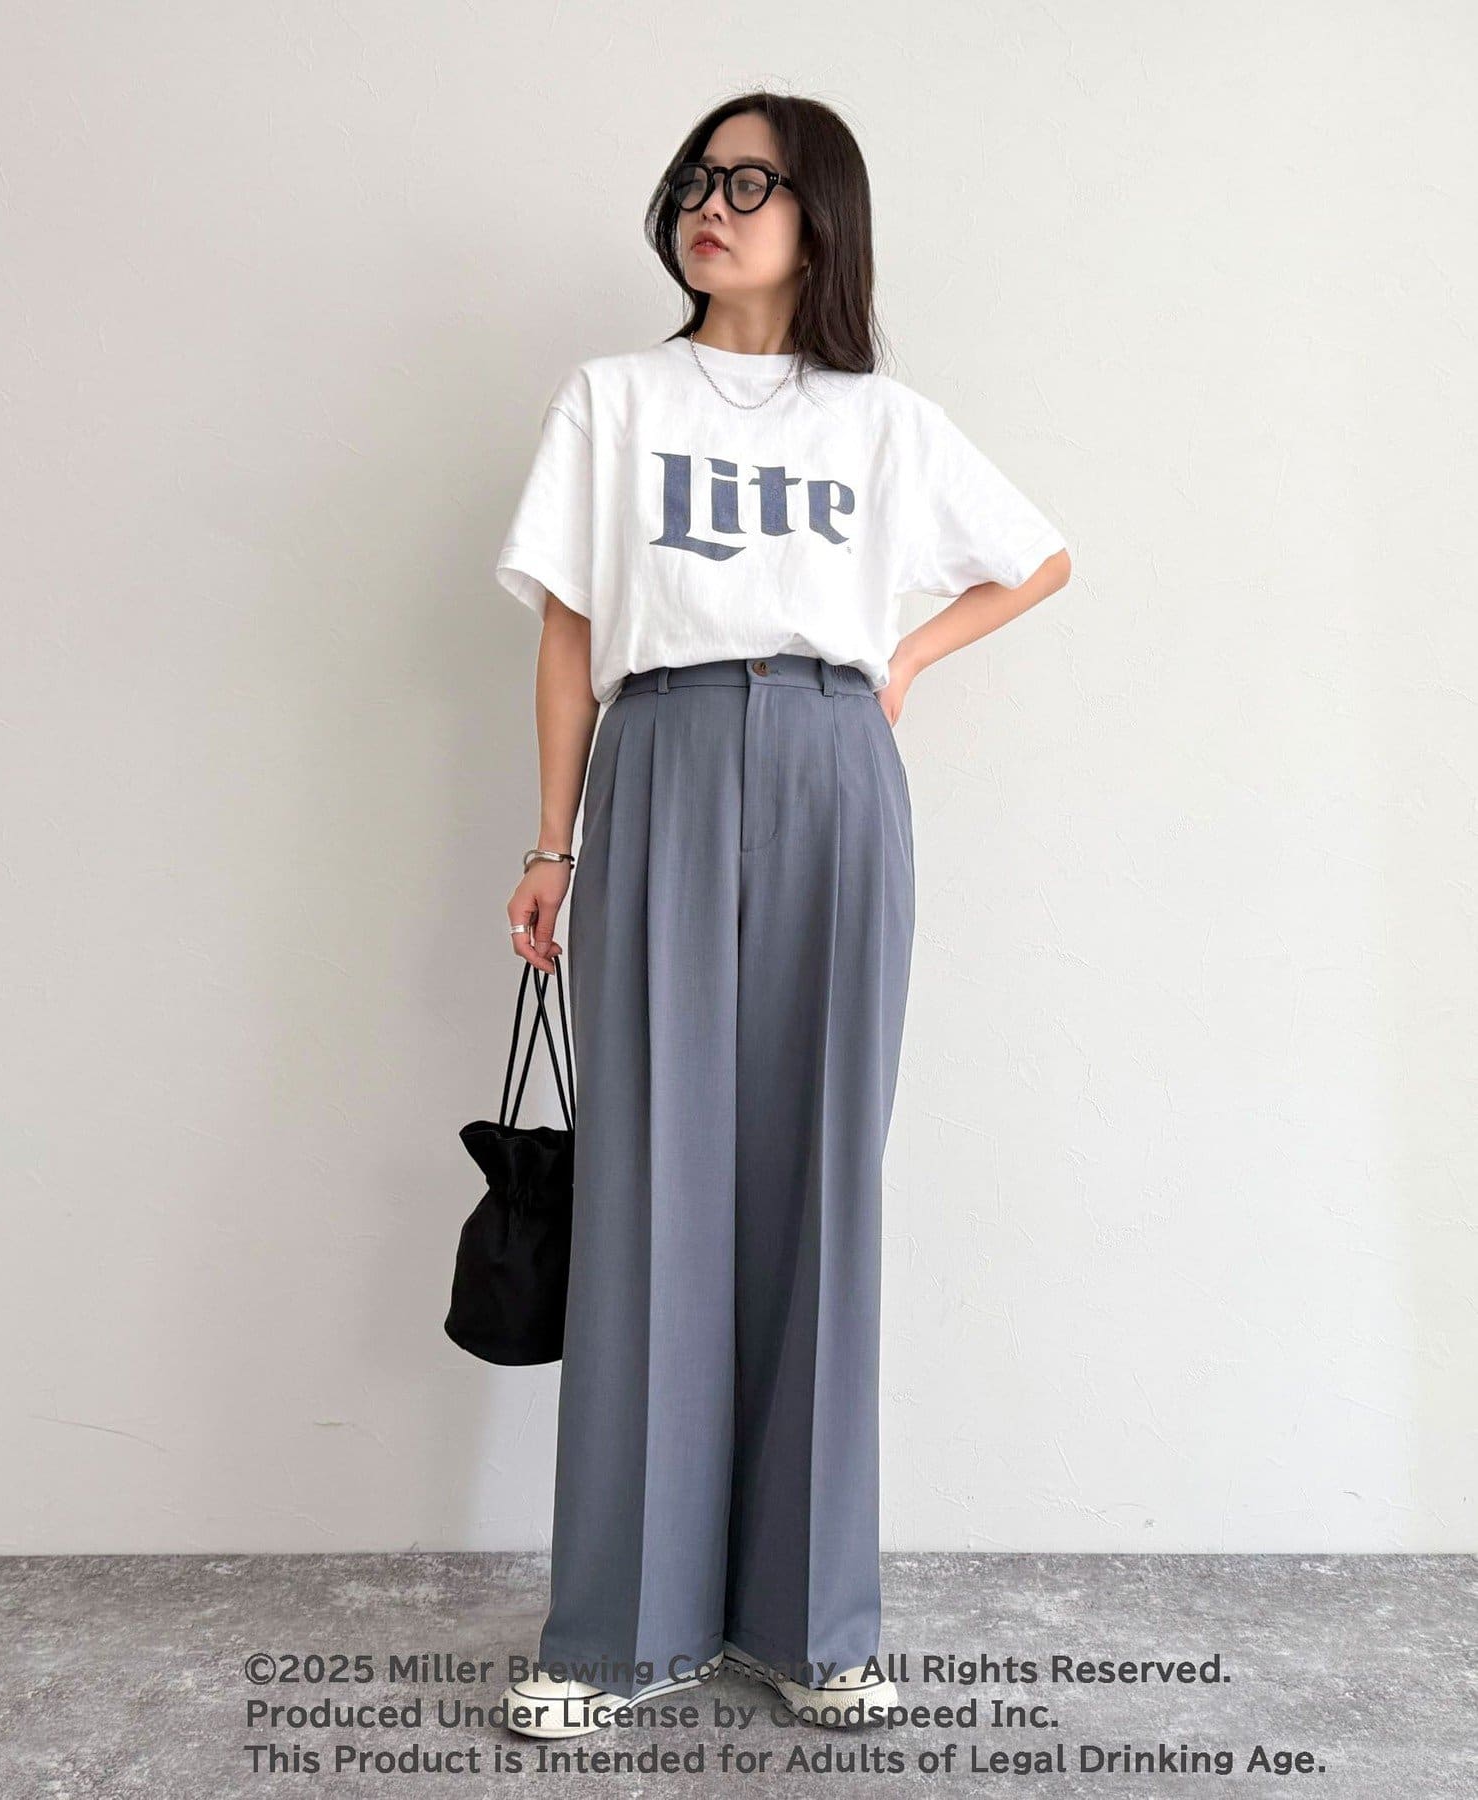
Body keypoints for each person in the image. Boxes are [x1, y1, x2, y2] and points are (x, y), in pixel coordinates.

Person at [492, 92, 1071, 1740]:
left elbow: (1035, 559)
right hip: (664, 750)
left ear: (821, 215)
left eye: (751, 181)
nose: (714, 202)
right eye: (699, 177)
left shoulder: (882, 421)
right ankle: (617, 1630)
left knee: (822, 1185)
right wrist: (552, 845)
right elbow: (568, 635)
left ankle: (815, 1624)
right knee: (649, 1186)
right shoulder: (613, 399)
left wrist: (902, 659)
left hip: (831, 761)